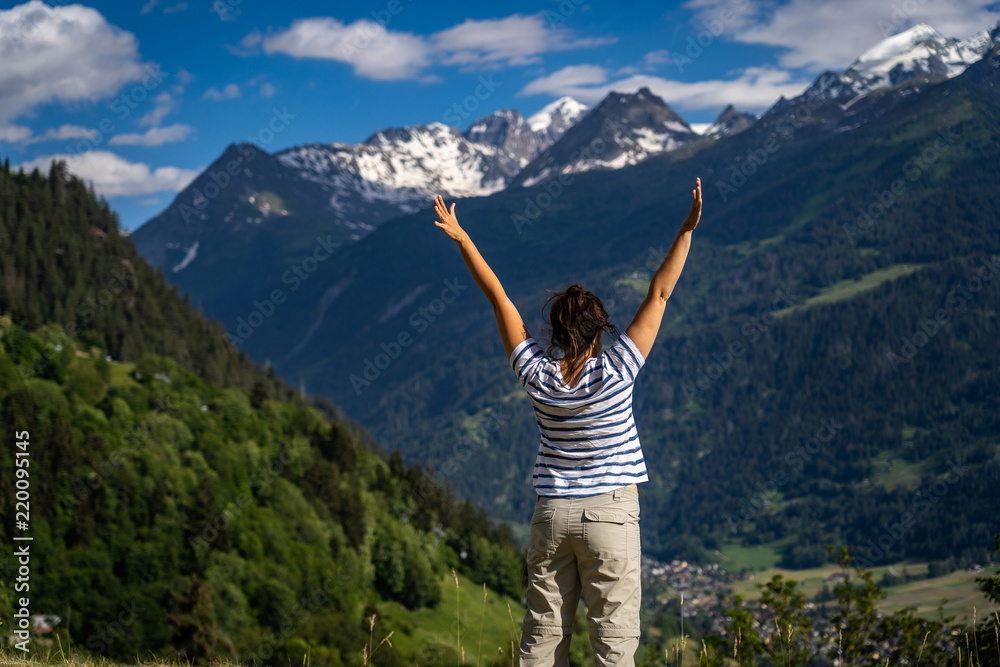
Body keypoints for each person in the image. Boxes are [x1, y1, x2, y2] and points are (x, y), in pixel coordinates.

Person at [432, 177, 703, 666]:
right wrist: (686, 229)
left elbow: (499, 299)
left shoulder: (537, 374)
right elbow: (660, 293)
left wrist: (464, 239)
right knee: (614, 645)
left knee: (542, 638)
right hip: (612, 515)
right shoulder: (619, 368)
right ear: (602, 331)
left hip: (553, 513)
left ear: (555, 333)